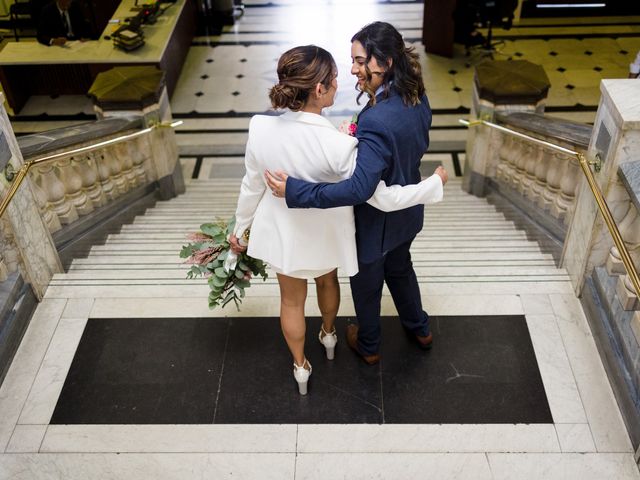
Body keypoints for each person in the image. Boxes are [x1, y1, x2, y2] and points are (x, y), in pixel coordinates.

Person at [230, 45, 446, 395]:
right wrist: (432, 185)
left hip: (285, 237)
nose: (339, 81)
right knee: (328, 283)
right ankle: (329, 336)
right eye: (332, 79)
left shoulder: (259, 128)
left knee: (290, 301)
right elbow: (382, 197)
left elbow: (251, 184)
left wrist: (239, 228)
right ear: (319, 90)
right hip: (327, 235)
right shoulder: (339, 145)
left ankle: (300, 365)